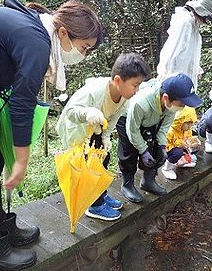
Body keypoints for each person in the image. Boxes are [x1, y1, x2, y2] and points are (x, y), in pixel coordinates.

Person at [0, 0, 103, 270]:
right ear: (63, 32)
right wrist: (22, 159)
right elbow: (22, 102)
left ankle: (2, 231)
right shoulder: (37, 41)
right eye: (84, 48)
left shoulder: (35, 30)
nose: (83, 55)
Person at [56, 52, 151, 220]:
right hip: (78, 131)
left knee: (103, 160)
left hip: (96, 129)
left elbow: (114, 116)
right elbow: (70, 112)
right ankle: (94, 205)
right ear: (117, 80)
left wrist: (106, 136)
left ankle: (101, 194)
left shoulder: (124, 95)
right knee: (89, 168)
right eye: (134, 85)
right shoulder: (94, 92)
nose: (136, 91)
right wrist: (87, 113)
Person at [116, 73, 202, 203]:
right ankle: (127, 184)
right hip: (128, 120)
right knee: (129, 152)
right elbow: (132, 131)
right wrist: (143, 151)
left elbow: (163, 129)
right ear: (166, 98)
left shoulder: (170, 106)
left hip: (152, 119)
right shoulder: (140, 103)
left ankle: (148, 181)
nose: (183, 107)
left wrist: (162, 147)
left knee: (154, 146)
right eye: (181, 103)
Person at [157, 0, 212, 90]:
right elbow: (172, 51)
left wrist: (196, 68)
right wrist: (165, 75)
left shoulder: (193, 26)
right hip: (175, 75)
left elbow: (191, 53)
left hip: (185, 76)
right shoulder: (185, 23)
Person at [161, 106, 200, 180]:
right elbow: (166, 147)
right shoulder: (170, 131)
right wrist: (180, 144)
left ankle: (180, 162)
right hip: (170, 150)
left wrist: (192, 143)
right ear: (180, 121)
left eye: (191, 123)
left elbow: (188, 138)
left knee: (195, 149)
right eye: (187, 123)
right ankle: (167, 168)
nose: (190, 126)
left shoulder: (187, 130)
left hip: (182, 147)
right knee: (177, 153)